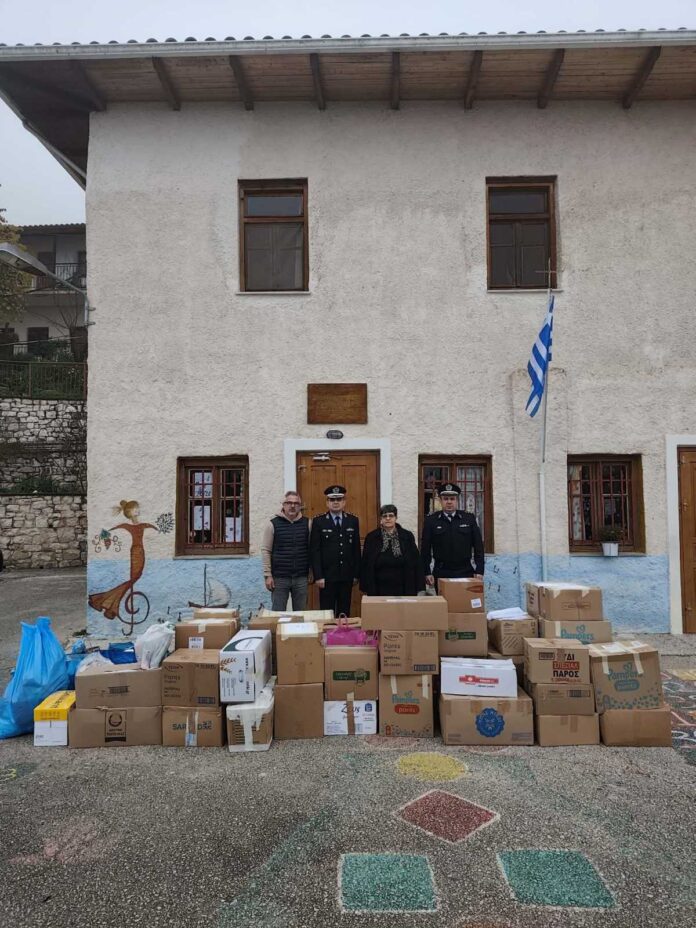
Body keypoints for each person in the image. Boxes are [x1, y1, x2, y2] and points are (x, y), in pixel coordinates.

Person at [88, 500, 158, 620]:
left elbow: (151, 527)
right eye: (135, 508)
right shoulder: (129, 526)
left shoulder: (141, 525)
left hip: (140, 552)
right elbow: (115, 528)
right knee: (134, 578)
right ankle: (104, 602)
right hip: (136, 552)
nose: (138, 510)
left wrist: (156, 528)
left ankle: (106, 602)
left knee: (134, 578)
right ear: (130, 512)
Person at [309, 485, 361, 617]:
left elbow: (356, 549)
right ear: (327, 502)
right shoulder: (318, 521)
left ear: (344, 502)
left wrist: (356, 574)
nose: (336, 502)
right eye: (332, 500)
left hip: (346, 575)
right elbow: (315, 550)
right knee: (327, 612)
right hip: (327, 577)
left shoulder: (353, 520)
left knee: (344, 611)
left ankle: (343, 631)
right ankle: (328, 631)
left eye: (339, 499)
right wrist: (318, 576)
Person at [420, 483, 484, 589]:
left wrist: (480, 570)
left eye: (452, 499)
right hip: (441, 571)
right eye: (445, 499)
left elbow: (478, 547)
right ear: (440, 500)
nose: (449, 502)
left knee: (464, 599)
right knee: (443, 600)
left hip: (465, 571)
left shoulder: (468, 519)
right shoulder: (431, 521)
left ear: (457, 500)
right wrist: (427, 572)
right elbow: (425, 549)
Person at [360, 504, 425, 596]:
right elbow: (365, 563)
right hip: (378, 587)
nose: (388, 518)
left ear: (396, 517)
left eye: (391, 515)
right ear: (381, 518)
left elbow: (416, 560)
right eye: (384, 516)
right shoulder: (372, 537)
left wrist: (420, 586)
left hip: (403, 585)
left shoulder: (407, 536)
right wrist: (365, 587)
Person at [261, 490, 310, 611]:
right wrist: (267, 575)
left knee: (300, 614)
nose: (292, 506)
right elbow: (266, 550)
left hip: (301, 578)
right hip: (279, 578)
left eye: (296, 503)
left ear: (300, 506)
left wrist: (311, 571)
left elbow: (311, 549)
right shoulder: (272, 524)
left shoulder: (307, 524)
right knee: (278, 614)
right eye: (289, 503)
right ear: (283, 504)